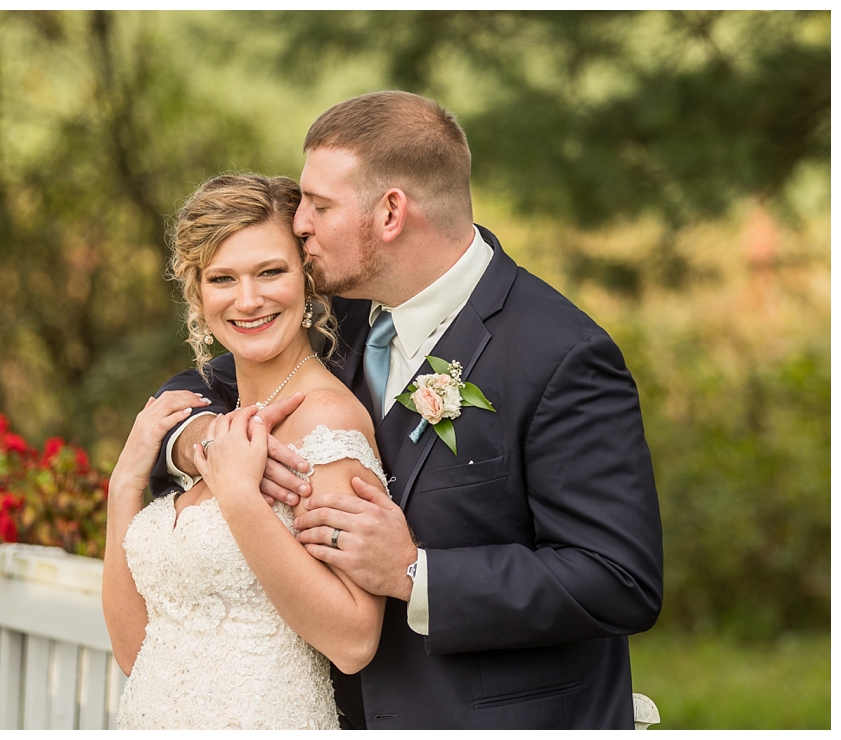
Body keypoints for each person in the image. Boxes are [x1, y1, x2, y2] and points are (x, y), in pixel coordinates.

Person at [151, 91, 664, 729]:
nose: (300, 222)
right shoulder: (341, 316)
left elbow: (619, 579)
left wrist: (416, 573)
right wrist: (193, 437)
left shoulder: (559, 353)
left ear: (391, 212)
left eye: (319, 204)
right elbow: (207, 382)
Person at [101, 174, 389, 730]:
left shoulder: (327, 418)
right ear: (198, 292)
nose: (248, 299)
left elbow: (354, 640)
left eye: (271, 272)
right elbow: (138, 653)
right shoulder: (217, 421)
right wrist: (123, 488)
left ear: (307, 279)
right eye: (223, 278)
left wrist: (237, 495)